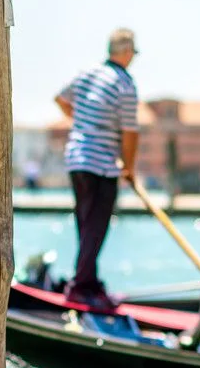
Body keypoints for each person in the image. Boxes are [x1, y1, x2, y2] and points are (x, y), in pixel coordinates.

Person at [53, 28, 141, 312]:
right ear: (126, 53)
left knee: (86, 224)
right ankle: (79, 287)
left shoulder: (87, 73)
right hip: (101, 164)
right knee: (96, 226)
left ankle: (88, 281)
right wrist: (128, 168)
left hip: (77, 159)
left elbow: (61, 99)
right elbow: (130, 133)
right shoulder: (125, 85)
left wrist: (83, 124)